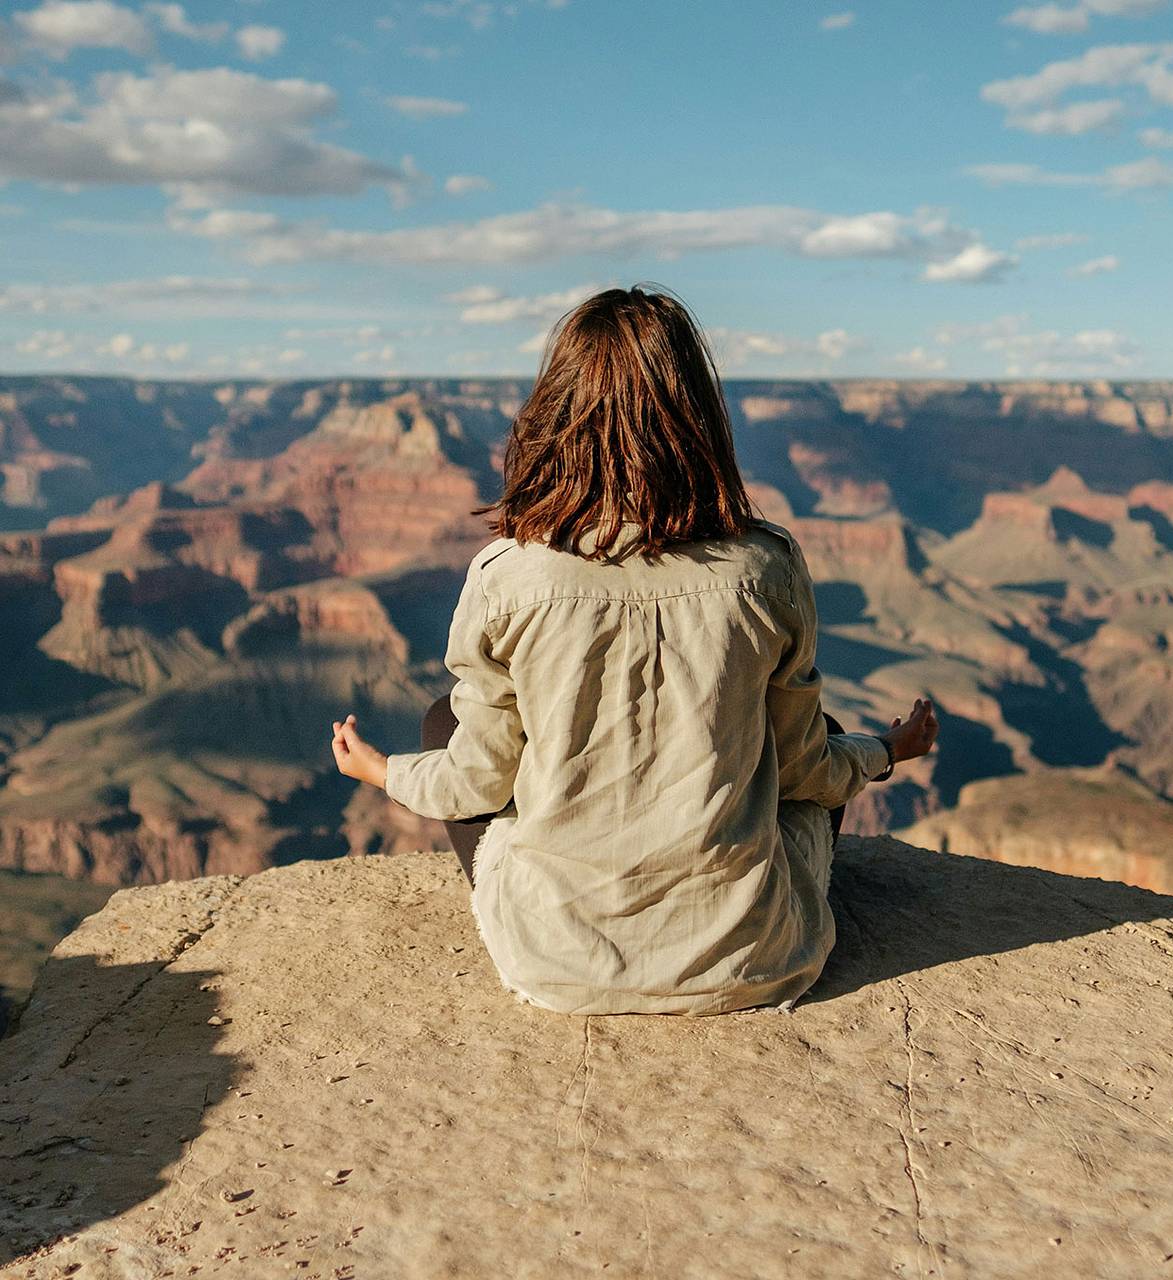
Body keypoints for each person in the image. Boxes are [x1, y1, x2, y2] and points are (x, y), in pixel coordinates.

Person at [331, 284, 939, 1016]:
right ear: (698, 416)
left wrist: (381, 772)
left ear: (555, 414)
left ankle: (574, 928)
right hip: (754, 962)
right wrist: (886, 749)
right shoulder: (764, 567)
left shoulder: (507, 574)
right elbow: (808, 771)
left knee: (443, 725)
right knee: (825, 734)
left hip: (554, 966)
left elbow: (478, 785)